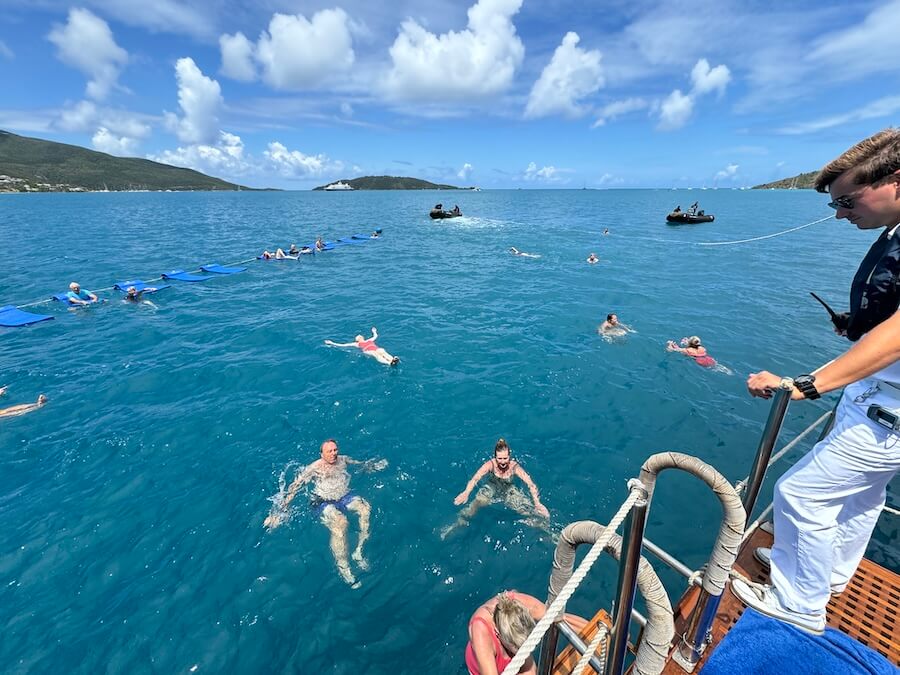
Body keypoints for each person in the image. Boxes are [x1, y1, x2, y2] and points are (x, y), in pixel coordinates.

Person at [732, 128, 900, 635]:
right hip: (878, 398)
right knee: (862, 497)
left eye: (847, 200)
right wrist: (855, 325)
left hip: (885, 414)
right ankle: (826, 577)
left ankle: (798, 604)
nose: (841, 214)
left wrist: (808, 384)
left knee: (799, 496)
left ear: (895, 179)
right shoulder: (894, 231)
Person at [263, 439, 387, 588]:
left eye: (335, 450)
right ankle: (344, 567)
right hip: (323, 501)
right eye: (330, 451)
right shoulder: (314, 468)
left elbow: (360, 465)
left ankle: (358, 551)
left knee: (365, 508)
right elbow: (294, 487)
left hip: (344, 496)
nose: (334, 453)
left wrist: (372, 466)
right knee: (341, 523)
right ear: (321, 454)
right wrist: (282, 509)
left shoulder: (343, 459)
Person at [443, 438, 549, 539]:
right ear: (495, 457)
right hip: (491, 486)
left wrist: (537, 502)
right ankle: (454, 525)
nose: (502, 462)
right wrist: (466, 492)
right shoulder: (490, 465)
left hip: (509, 489)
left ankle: (548, 532)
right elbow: (475, 479)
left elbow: (531, 484)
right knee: (474, 506)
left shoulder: (514, 467)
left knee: (528, 512)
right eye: (499, 458)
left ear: (509, 456)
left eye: (505, 458)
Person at [465, 591, 587, 675]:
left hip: (511, 644)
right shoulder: (481, 634)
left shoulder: (517, 605)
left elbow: (562, 618)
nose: (522, 651)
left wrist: (602, 633)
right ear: (498, 633)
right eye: (517, 647)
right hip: (486, 664)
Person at [324, 327, 399, 366]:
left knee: (381, 350)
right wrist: (332, 343)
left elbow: (375, 336)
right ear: (357, 340)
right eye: (358, 337)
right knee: (375, 354)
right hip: (367, 351)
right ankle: (389, 363)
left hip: (375, 348)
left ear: (362, 337)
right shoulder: (356, 344)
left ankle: (393, 360)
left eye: (359, 336)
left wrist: (374, 331)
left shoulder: (369, 340)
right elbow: (343, 345)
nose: (359, 337)